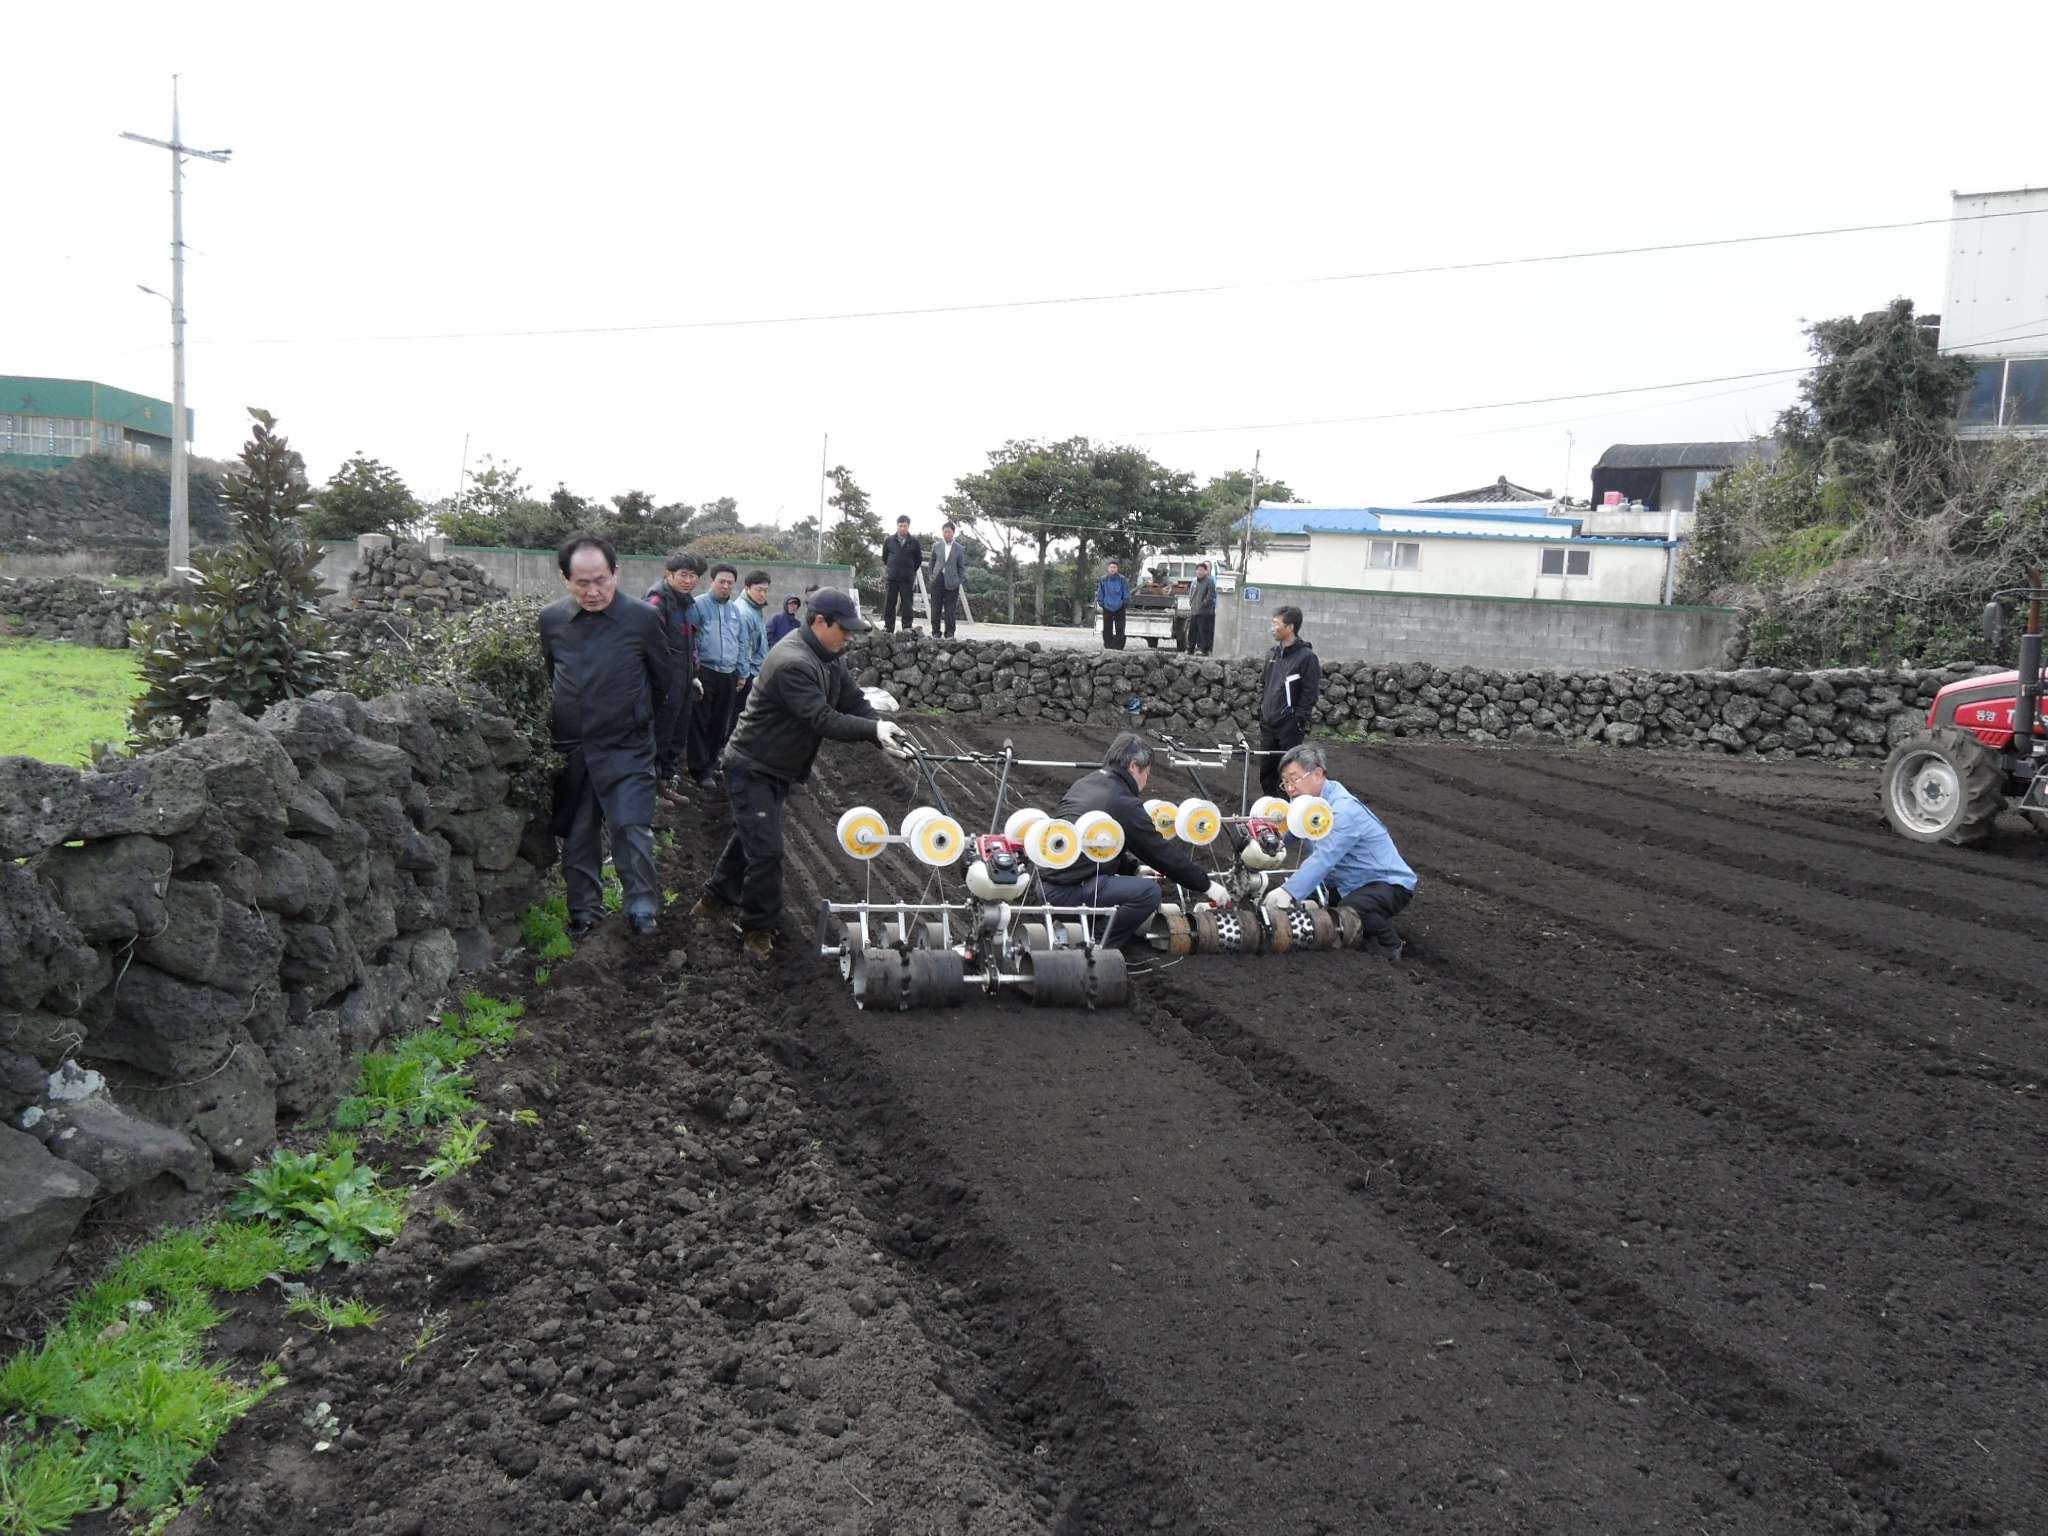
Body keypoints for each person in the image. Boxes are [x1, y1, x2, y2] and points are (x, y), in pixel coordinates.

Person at [692, 589, 914, 959]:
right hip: (751, 766)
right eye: (844, 628)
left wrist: (883, 733)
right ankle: (757, 929)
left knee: (751, 837)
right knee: (766, 851)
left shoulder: (827, 655)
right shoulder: (792, 661)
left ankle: (713, 902)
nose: (849, 636)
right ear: (820, 622)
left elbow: (852, 701)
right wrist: (873, 730)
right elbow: (822, 718)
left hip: (776, 766)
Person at [538, 531, 670, 939]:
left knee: (631, 827)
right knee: (579, 835)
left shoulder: (642, 619)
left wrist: (637, 719)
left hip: (627, 745)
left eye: (601, 580)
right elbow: (552, 673)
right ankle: (584, 911)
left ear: (616, 573)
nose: (593, 591)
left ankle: (642, 909)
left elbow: (662, 682)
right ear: (565, 579)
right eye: (582, 583)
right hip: (574, 747)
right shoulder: (552, 621)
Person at [1041, 733, 1232, 954]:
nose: (1146, 781)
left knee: (1130, 884)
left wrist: (1134, 869)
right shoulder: (1122, 802)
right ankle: (1096, 946)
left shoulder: (1085, 784)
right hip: (1069, 892)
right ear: (1133, 766)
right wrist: (1208, 886)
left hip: (1047, 886)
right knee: (1147, 893)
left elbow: (1096, 846)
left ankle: (1085, 926)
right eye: (1147, 773)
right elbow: (1162, 855)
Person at [1264, 743, 1416, 959]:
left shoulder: (1343, 811)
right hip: (1346, 881)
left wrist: (1288, 892)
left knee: (1348, 911)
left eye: (1294, 779)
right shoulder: (1311, 806)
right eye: (1285, 782)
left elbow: (1324, 858)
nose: (1290, 788)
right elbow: (1292, 832)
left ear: (1318, 774)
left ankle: (1390, 944)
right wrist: (1267, 848)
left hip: (1385, 883)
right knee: (1312, 901)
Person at [645, 550, 705, 804]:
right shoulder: (657, 603)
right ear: (668, 574)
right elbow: (651, 648)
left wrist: (693, 673)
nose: (688, 580)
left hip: (683, 678)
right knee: (659, 734)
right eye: (683, 574)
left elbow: (689, 644)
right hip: (665, 681)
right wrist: (661, 684)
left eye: (693, 576)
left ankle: (666, 782)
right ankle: (649, 789)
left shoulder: (686, 603)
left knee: (677, 733)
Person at [687, 563, 747, 782]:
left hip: (728, 673)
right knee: (700, 721)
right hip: (705, 671)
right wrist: (693, 671)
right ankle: (699, 769)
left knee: (720, 722)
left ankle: (711, 763)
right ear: (711, 581)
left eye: (730, 583)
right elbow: (691, 640)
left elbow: (741, 642)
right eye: (722, 581)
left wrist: (742, 672)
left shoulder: (734, 611)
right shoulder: (698, 606)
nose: (726, 586)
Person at [1257, 605, 1320, 800]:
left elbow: (1309, 694)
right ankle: (1269, 807)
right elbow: (1263, 683)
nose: (1272, 628)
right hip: (1268, 724)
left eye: (1276, 624)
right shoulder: (1272, 654)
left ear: (1290, 627)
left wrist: (1297, 721)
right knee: (1266, 770)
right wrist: (1262, 711)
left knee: (1289, 772)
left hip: (1289, 727)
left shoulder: (1307, 658)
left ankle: (1288, 808)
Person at [881, 515, 922, 633]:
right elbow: (885, 557)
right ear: (897, 526)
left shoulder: (914, 542)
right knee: (889, 602)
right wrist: (892, 567)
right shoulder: (889, 540)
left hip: (907, 578)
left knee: (907, 603)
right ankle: (888, 626)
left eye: (905, 526)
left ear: (908, 526)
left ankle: (907, 626)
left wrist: (910, 570)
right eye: (900, 526)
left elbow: (918, 560)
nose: (902, 528)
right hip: (892, 576)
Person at [927, 520, 967, 637]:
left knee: (950, 610)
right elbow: (931, 563)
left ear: (953, 533)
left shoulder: (959, 548)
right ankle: (936, 631)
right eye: (945, 532)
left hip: (952, 581)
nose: (947, 534)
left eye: (949, 532)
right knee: (935, 608)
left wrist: (958, 580)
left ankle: (949, 632)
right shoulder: (936, 546)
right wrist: (931, 577)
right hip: (937, 579)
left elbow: (961, 567)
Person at [1096, 561, 1129, 650]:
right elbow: (1101, 591)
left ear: (1117, 569)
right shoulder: (1103, 579)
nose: (1113, 569)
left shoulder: (1122, 579)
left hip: (1119, 606)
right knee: (1107, 627)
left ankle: (1119, 645)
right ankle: (1108, 644)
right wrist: (1101, 602)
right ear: (1108, 568)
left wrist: (1125, 601)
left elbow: (1125, 591)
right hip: (1107, 606)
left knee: (1120, 627)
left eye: (1114, 567)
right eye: (1111, 567)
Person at [1188, 561, 1218, 655]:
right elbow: (1191, 594)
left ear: (1205, 571)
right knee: (1192, 631)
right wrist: (1191, 604)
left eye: (1201, 570)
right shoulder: (1195, 581)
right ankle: (1190, 649)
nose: (1199, 572)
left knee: (1203, 632)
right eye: (1198, 570)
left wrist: (1204, 603)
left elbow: (1211, 594)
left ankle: (1204, 650)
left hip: (1205, 611)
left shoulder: (1209, 581)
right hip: (1195, 610)